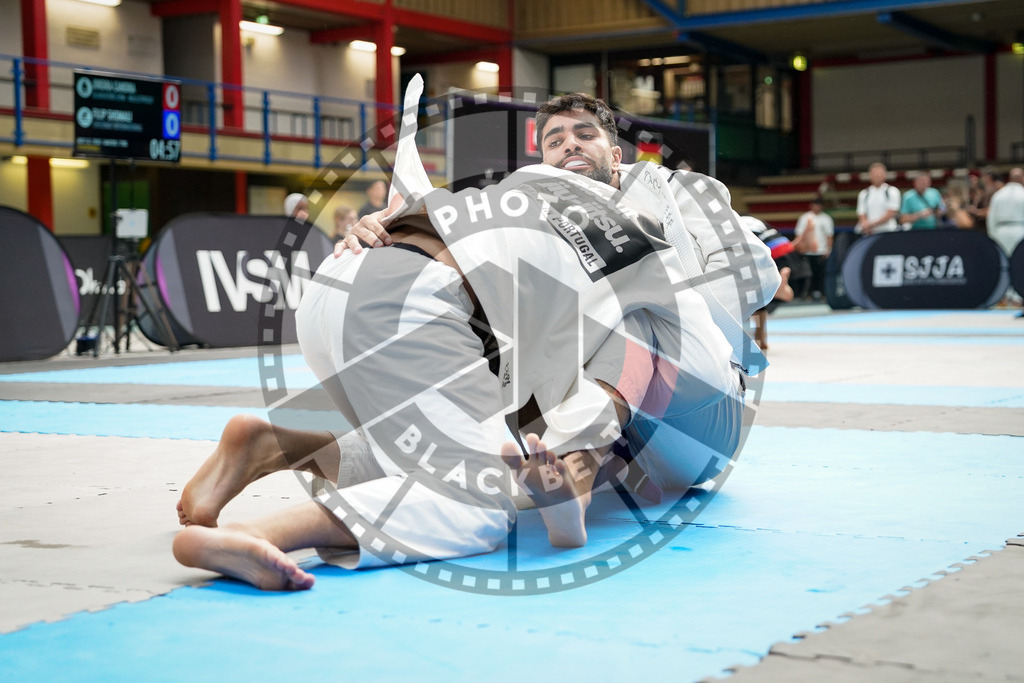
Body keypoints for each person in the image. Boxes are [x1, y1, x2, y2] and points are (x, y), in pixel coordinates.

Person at [174, 87, 778, 589]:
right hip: (414, 303)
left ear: (615, 151)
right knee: (477, 505)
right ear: (540, 156)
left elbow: (749, 277)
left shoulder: (549, 199)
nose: (569, 144)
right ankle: (260, 536)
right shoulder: (603, 223)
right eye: (555, 138)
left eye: (584, 134)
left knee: (446, 442)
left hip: (349, 295)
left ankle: (275, 446)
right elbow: (706, 314)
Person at [791, 196, 833, 299]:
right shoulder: (804, 218)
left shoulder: (826, 219)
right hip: (807, 252)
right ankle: (807, 294)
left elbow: (829, 235)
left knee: (820, 274)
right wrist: (800, 248)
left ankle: (822, 293)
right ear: (811, 206)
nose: (817, 208)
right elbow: (799, 235)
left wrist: (828, 248)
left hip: (820, 251)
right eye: (815, 205)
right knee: (808, 274)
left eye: (819, 205)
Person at [855, 162, 901, 235]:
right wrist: (865, 225)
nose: (878, 176)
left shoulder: (892, 191)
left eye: (880, 173)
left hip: (888, 231)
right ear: (870, 175)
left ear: (885, 175)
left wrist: (871, 224)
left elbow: (891, 212)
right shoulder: (864, 193)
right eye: (875, 174)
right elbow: (861, 212)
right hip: (869, 232)